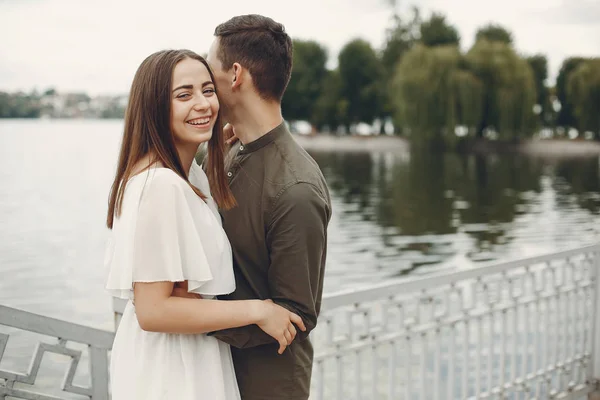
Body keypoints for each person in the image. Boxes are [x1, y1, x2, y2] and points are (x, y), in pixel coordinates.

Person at [104, 49, 305, 400]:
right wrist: (258, 310)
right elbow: (153, 310)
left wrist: (222, 143)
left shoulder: (187, 177)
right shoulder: (160, 186)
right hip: (172, 369)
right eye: (184, 95)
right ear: (154, 107)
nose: (203, 104)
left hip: (191, 354)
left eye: (208, 91)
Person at [203, 15, 332, 400]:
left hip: (266, 384)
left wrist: (188, 317)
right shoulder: (228, 151)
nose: (205, 85)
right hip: (214, 371)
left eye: (210, 71)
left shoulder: (296, 188)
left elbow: (296, 315)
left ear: (235, 75)